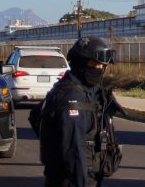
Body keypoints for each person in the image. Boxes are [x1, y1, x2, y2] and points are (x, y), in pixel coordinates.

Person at [33, 36, 123, 187]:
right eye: (95, 64)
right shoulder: (72, 98)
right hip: (73, 180)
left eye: (103, 65)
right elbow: (73, 151)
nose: (100, 69)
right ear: (80, 63)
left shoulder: (86, 91)